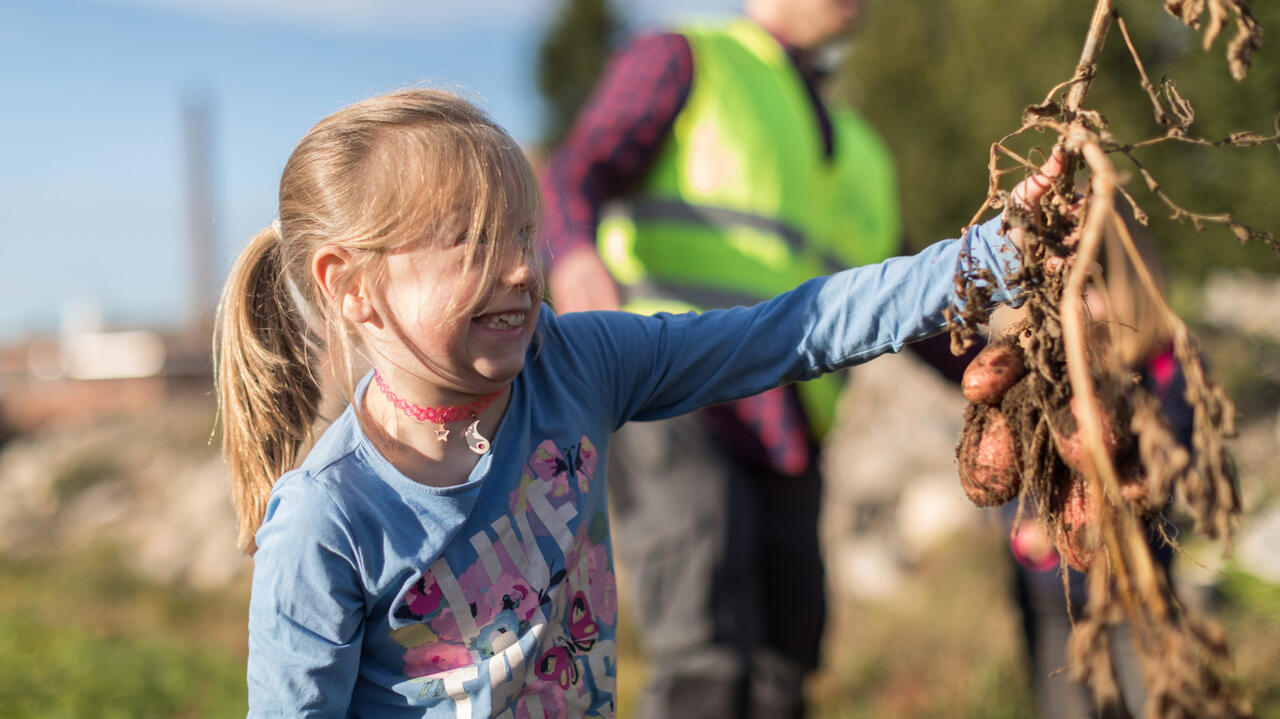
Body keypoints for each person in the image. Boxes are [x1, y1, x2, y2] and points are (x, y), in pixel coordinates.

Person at [214, 86, 1063, 717]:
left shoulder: (576, 365)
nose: (518, 267)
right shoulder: (328, 519)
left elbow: (794, 329)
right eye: (470, 241)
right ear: (352, 286)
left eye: (521, 232)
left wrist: (992, 252)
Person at [538, 1, 970, 715]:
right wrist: (577, 255)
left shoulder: (863, 153)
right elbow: (574, 172)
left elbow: (916, 305)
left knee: (783, 665)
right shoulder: (685, 61)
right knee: (707, 657)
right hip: (674, 401)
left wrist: (1024, 375)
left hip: (789, 428)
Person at [1001, 225, 1191, 719]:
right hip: (1054, 594)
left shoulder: (1166, 363)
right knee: (1067, 702)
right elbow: (1010, 474)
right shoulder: (1033, 371)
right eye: (1071, 289)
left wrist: (1133, 491)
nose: (1084, 306)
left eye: (1096, 285)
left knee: (1153, 696)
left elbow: (1179, 452)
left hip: (1139, 583)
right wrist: (1026, 535)